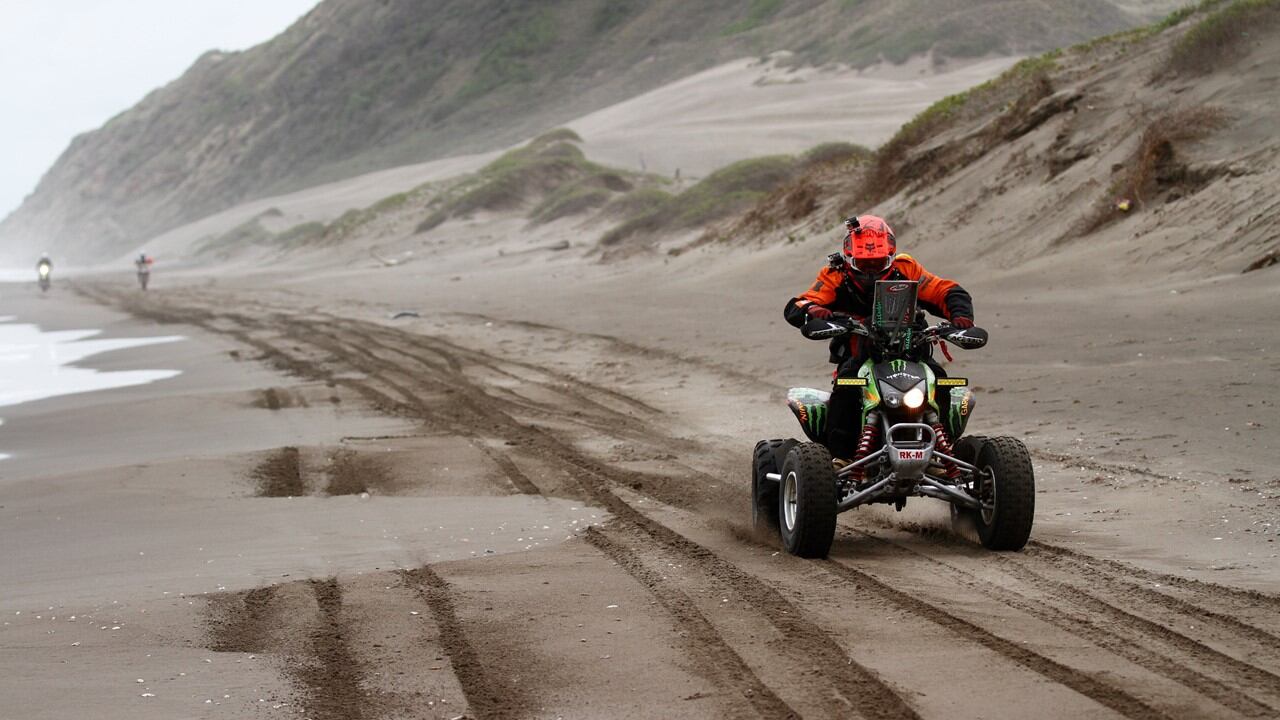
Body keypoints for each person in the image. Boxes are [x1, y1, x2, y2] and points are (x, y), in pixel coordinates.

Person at [783, 215, 975, 461]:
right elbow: (799, 304)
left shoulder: (907, 269)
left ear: (891, 257)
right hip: (860, 354)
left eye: (878, 263)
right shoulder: (835, 275)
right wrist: (813, 310)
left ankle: (940, 453)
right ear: (850, 259)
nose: (872, 271)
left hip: (911, 350)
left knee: (940, 381)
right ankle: (840, 458)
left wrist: (961, 317)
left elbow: (946, 291)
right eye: (865, 265)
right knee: (847, 386)